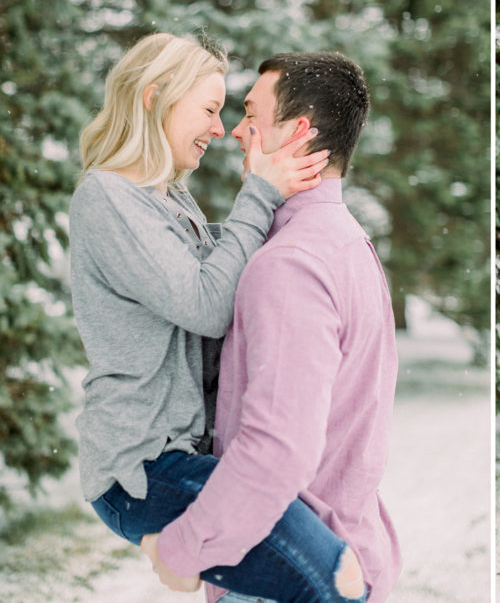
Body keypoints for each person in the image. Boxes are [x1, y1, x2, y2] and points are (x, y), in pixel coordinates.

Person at [69, 32, 362, 601]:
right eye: (207, 109)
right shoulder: (106, 196)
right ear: (155, 98)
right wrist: (261, 195)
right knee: (334, 578)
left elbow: (227, 267)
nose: (216, 128)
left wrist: (295, 226)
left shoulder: (168, 198)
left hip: (189, 460)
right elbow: (207, 304)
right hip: (145, 470)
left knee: (330, 571)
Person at [136, 52, 402, 603]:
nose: (234, 130)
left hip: (285, 575)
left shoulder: (290, 264)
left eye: (251, 115)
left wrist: (184, 550)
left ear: (297, 131)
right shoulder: (347, 243)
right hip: (342, 556)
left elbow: (277, 447)